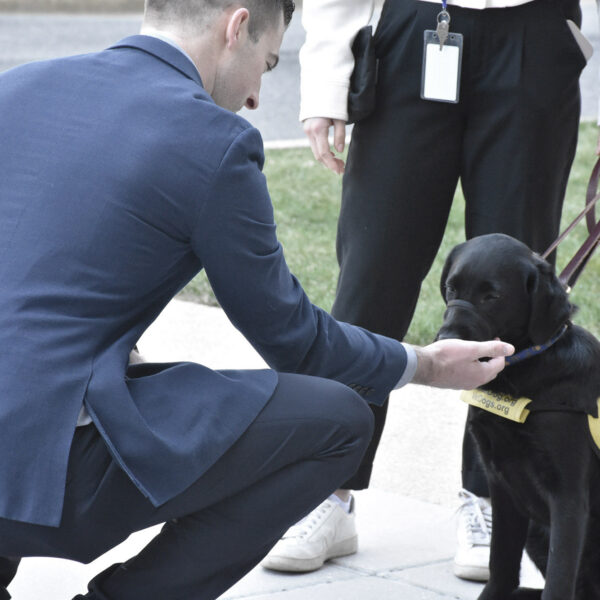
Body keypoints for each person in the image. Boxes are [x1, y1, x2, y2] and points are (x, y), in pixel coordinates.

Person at [0, 0, 514, 598]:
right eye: (268, 66)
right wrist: (424, 364)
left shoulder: (18, 87)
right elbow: (294, 339)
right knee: (338, 421)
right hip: (42, 479)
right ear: (237, 27)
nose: (253, 98)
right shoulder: (212, 141)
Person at [262, 0, 586, 582]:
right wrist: (328, 76)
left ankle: (489, 499)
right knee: (371, 281)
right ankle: (328, 491)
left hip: (535, 36)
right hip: (413, 32)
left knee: (513, 303)